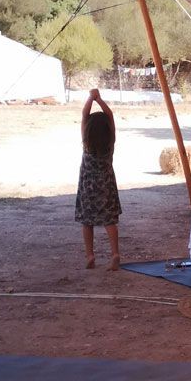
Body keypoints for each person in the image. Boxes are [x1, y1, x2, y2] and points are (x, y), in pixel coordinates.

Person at [75, 88, 121, 271]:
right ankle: (115, 253)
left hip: (88, 187)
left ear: (88, 130)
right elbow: (110, 116)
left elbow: (84, 115)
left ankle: (90, 255)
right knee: (109, 221)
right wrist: (99, 100)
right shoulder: (110, 143)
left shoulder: (86, 143)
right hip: (106, 185)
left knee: (87, 222)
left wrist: (91, 98)